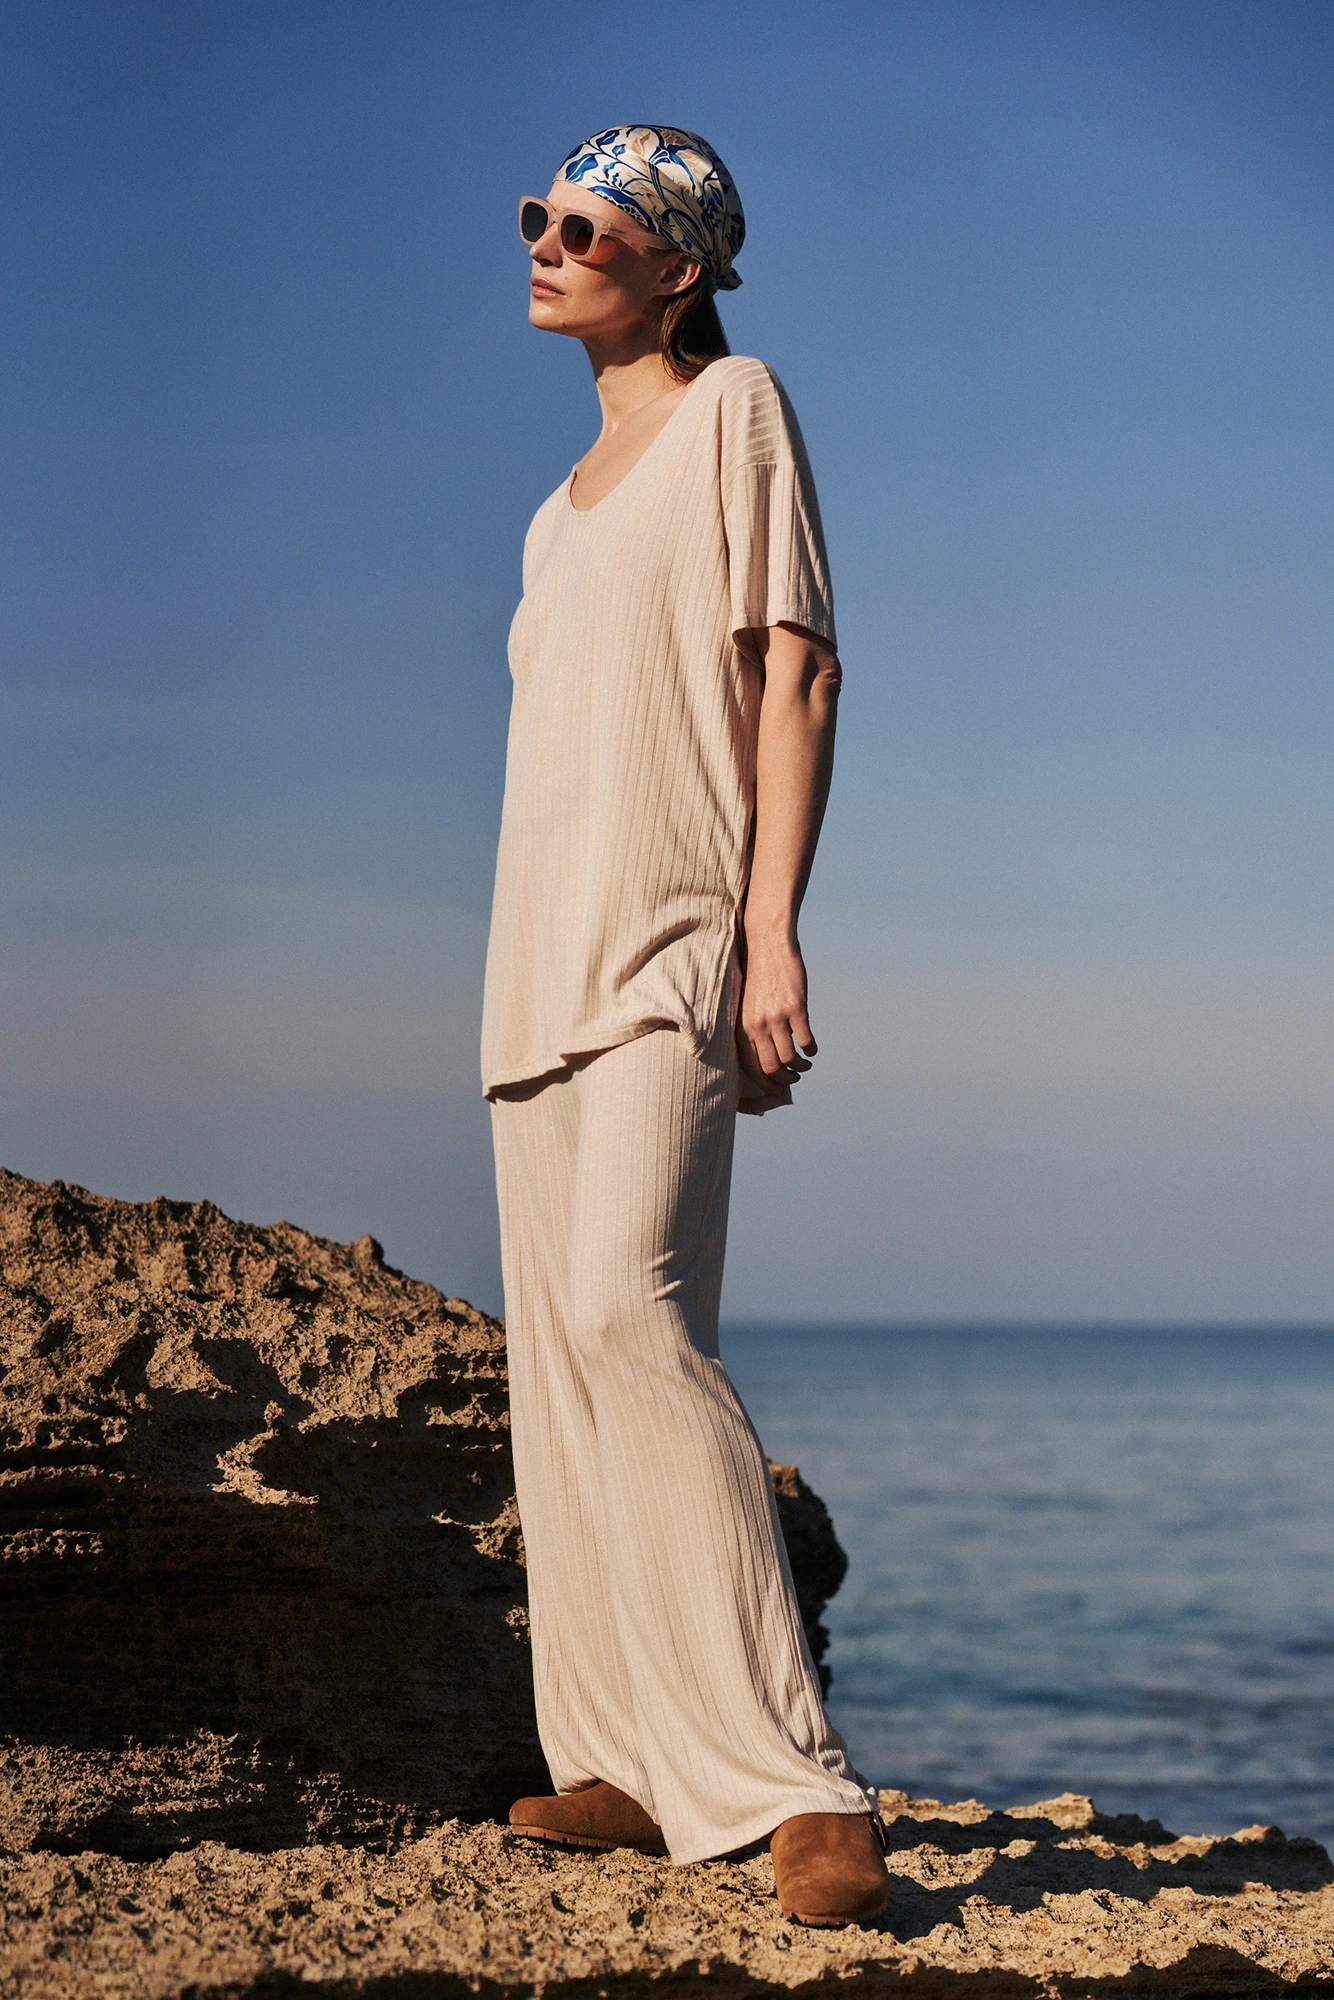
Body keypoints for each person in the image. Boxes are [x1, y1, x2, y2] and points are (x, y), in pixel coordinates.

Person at [482, 126, 889, 1928]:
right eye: (541, 218)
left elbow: (792, 667)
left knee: (625, 1315)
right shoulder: (551, 509)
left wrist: (768, 930)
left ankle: (796, 1782)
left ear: (681, 269)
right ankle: (627, 1761)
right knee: (559, 1374)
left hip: (669, 940)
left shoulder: (737, 411)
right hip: (529, 967)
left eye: (591, 228)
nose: (549, 243)